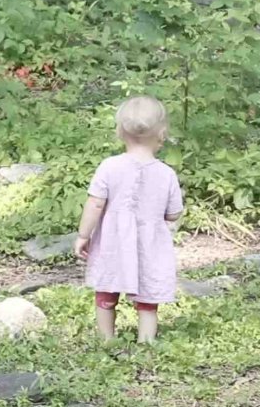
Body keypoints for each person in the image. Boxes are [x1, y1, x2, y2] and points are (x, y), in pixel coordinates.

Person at [74, 95, 183, 343]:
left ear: (119, 132)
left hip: (113, 243)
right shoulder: (166, 174)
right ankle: (146, 340)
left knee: (106, 288)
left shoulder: (109, 166)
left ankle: (106, 339)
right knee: (148, 296)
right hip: (150, 246)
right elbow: (174, 212)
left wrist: (83, 235)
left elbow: (95, 203)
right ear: (162, 133)